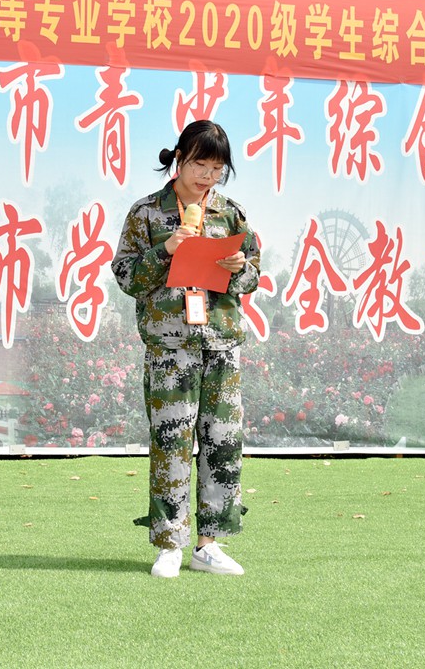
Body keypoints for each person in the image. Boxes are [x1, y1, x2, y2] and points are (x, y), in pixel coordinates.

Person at [111, 120, 261, 578]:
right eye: (200, 165)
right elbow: (126, 277)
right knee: (171, 442)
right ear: (179, 158)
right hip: (170, 346)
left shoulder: (231, 213)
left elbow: (253, 275)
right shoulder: (146, 213)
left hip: (221, 343)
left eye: (217, 169)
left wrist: (237, 268)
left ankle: (208, 545)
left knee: (223, 443)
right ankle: (170, 544)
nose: (207, 176)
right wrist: (165, 252)